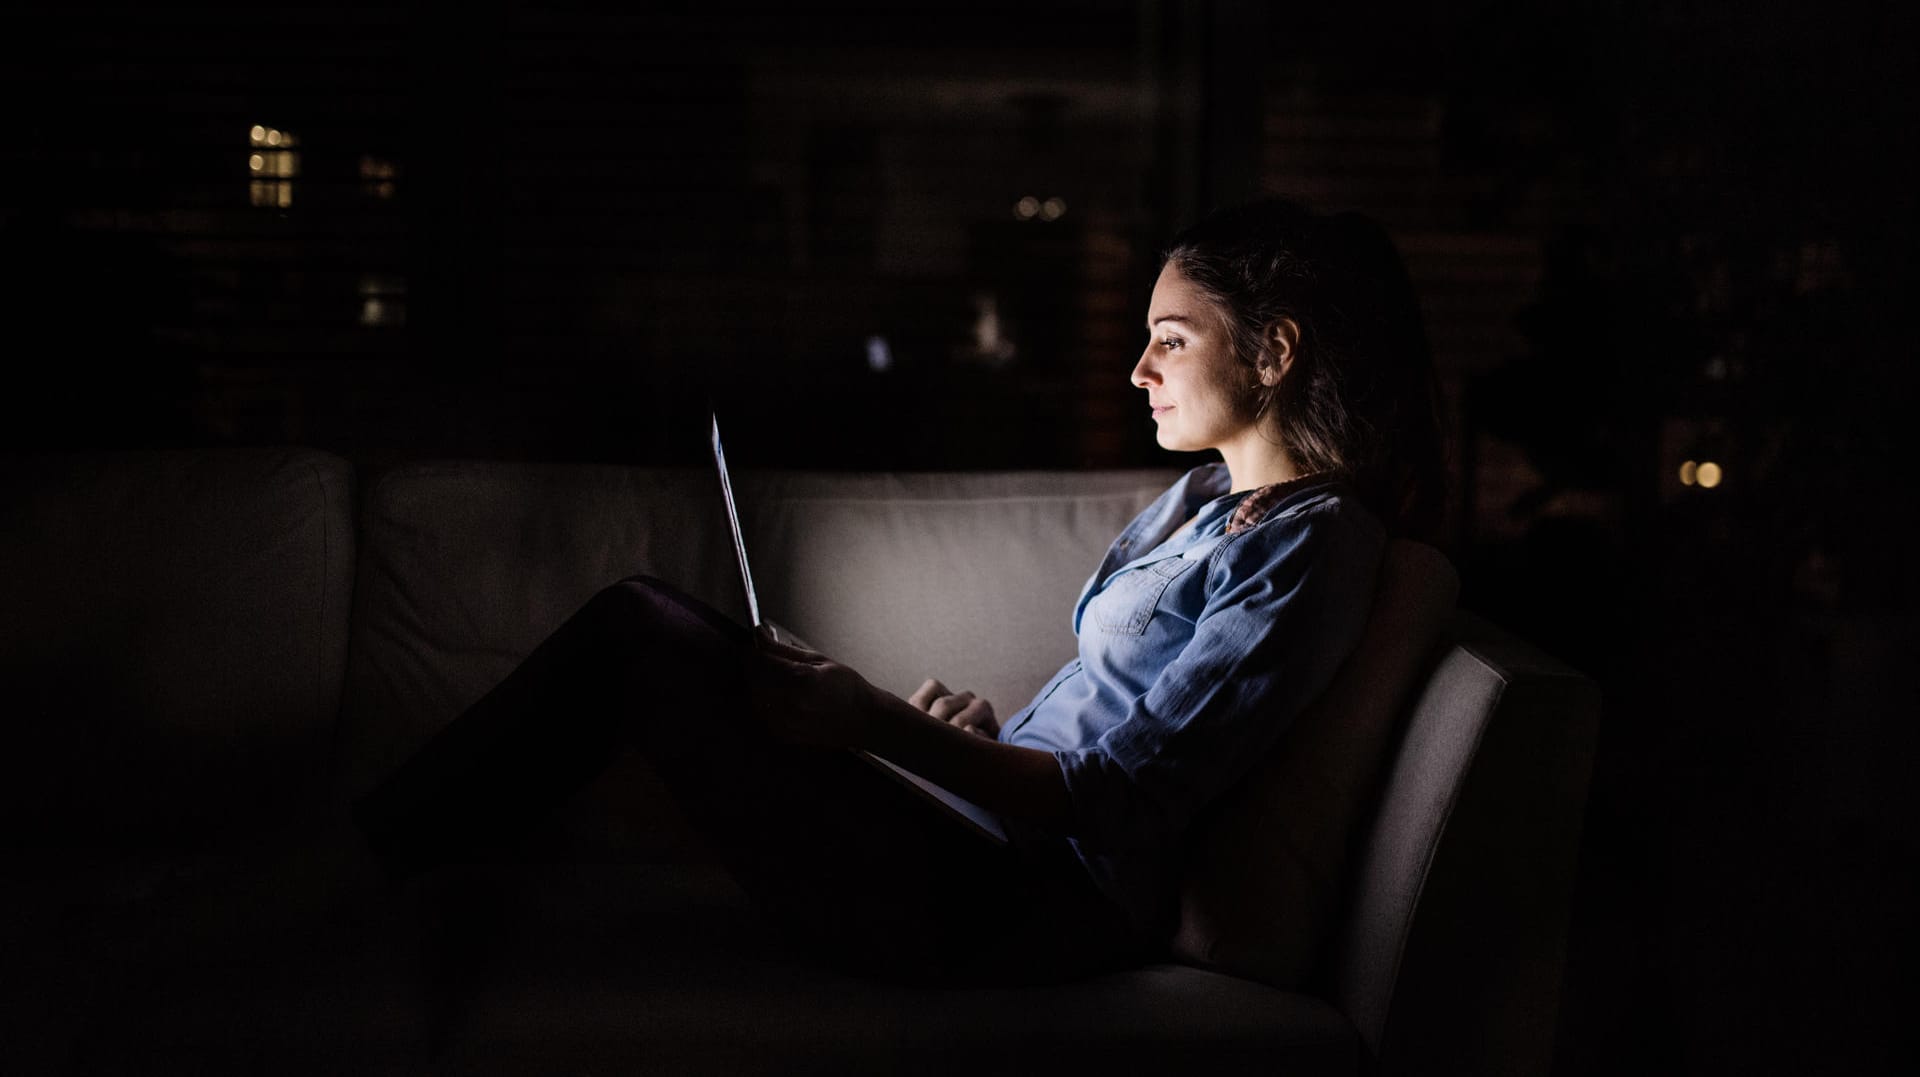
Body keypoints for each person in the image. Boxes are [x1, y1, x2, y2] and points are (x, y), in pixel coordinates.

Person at [350, 196, 1446, 988]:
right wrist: (967, 740)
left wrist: (872, 722)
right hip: (980, 843)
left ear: (1275, 353)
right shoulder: (1202, 500)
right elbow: (1090, 720)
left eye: (1170, 339)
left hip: (1027, 910)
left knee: (645, 630)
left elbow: (1119, 798)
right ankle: (410, 868)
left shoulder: (1315, 547)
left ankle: (369, 872)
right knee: (674, 637)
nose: (1138, 371)